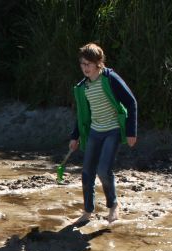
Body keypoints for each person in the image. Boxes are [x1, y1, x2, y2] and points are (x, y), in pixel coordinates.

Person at [68, 42, 137, 225]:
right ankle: (87, 211)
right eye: (82, 64)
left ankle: (113, 204)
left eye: (88, 64)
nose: (85, 68)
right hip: (94, 132)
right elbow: (82, 115)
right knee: (86, 172)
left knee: (103, 170)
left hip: (112, 130)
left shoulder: (110, 78)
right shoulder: (83, 87)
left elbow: (131, 102)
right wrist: (75, 137)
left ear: (99, 63)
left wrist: (131, 132)